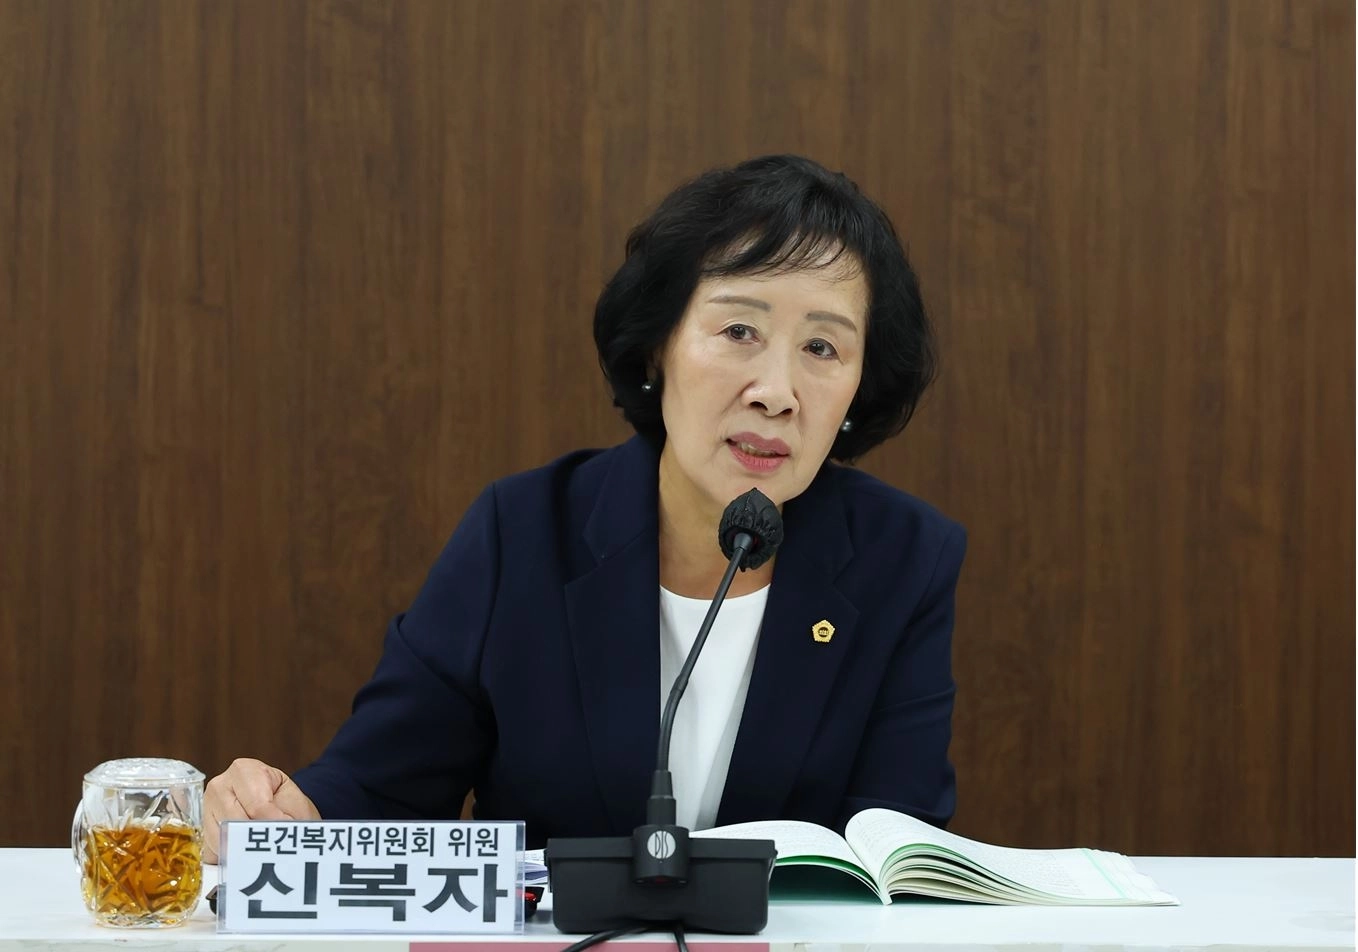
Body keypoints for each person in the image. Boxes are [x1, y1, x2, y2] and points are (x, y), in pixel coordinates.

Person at [203, 154, 966, 860]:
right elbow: (377, 791)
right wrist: (274, 812)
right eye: (740, 330)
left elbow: (896, 852)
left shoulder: (904, 560)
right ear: (658, 347)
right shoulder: (523, 533)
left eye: (822, 348)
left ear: (859, 385)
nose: (776, 391)